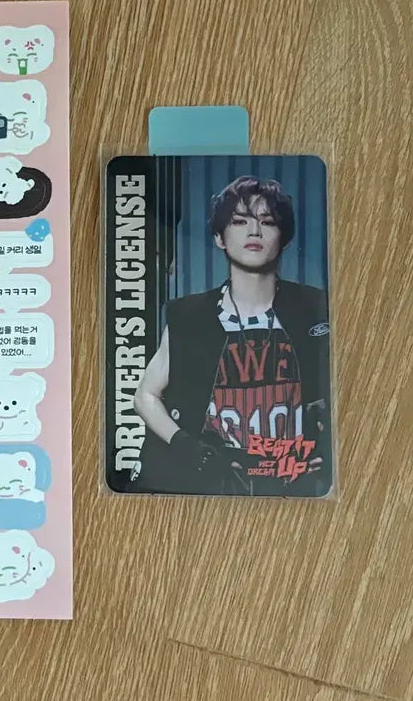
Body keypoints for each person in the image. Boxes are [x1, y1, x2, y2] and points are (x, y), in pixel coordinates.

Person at [134, 175, 332, 496]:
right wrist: (189, 448)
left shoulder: (317, 308)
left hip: (294, 484)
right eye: (240, 221)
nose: (254, 231)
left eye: (267, 222)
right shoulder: (190, 315)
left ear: (284, 238)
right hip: (213, 481)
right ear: (219, 238)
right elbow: (145, 395)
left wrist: (329, 448)